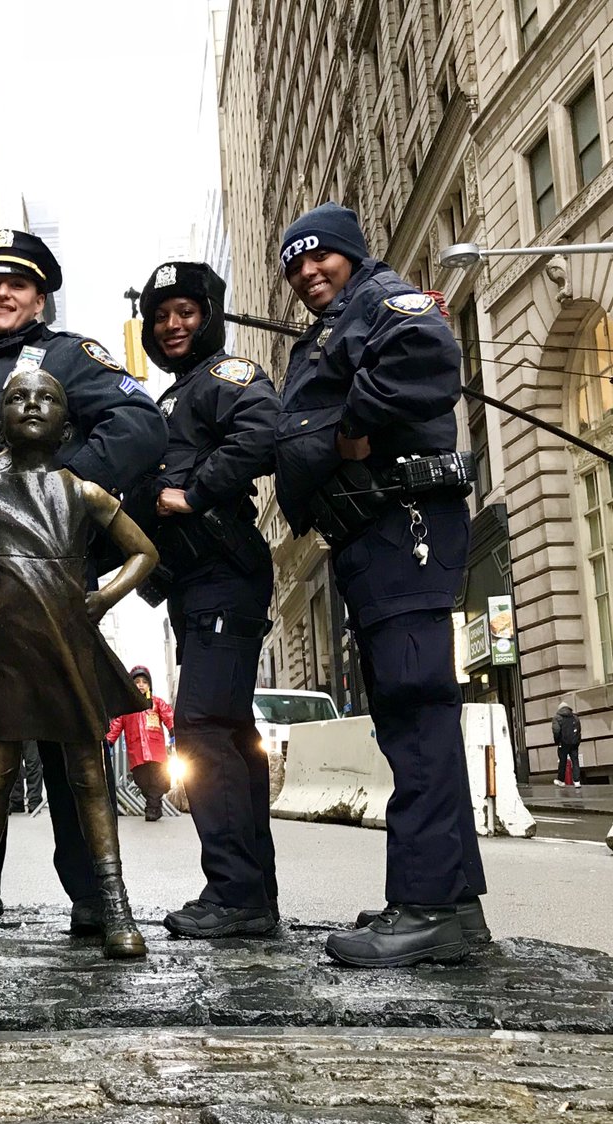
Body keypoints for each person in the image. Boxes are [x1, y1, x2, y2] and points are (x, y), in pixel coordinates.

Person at [0, 228, 168, 933]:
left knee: (67, 746)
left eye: (16, 284)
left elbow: (140, 425)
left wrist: (63, 492)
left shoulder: (64, 357)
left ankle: (91, 898)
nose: (1, 293)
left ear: (40, 294)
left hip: (49, 591)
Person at [275, 202, 488, 967]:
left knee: (415, 711)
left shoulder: (383, 298)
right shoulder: (341, 319)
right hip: (376, 536)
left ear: (351, 255)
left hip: (405, 529)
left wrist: (355, 421)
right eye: (294, 264)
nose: (306, 272)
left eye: (319, 257)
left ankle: (426, 905)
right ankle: (453, 905)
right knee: (411, 715)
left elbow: (429, 353)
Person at [132, 261, 280, 937]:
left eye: (185, 313)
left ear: (209, 314)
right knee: (229, 732)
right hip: (197, 587)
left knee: (202, 729)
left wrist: (196, 493)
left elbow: (263, 429)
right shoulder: (177, 395)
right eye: (161, 317)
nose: (172, 326)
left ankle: (234, 895)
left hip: (224, 573)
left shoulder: (225, 378)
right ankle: (252, 895)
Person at [106, 666, 175, 821]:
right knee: (142, 780)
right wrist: (108, 742)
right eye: (137, 682)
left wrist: (173, 732)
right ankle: (155, 805)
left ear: (149, 685)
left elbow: (169, 716)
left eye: (144, 682)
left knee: (158, 780)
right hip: (137, 753)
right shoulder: (125, 708)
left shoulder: (157, 703)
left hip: (156, 751)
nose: (141, 685)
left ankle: (152, 808)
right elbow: (116, 725)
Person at [552, 703, 582, 787]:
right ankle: (577, 781)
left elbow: (556, 731)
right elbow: (579, 730)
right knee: (575, 761)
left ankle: (561, 780)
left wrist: (557, 741)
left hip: (563, 743)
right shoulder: (575, 717)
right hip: (574, 743)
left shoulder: (557, 718)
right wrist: (577, 741)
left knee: (563, 761)